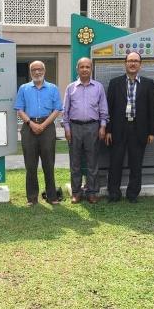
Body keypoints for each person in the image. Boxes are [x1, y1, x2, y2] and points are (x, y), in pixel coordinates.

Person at [105, 52, 154, 203]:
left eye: (136, 61)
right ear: (125, 63)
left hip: (139, 130)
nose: (132, 64)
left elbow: (152, 110)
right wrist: (108, 130)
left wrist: (151, 132)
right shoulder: (115, 83)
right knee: (115, 162)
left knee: (136, 163)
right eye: (130, 61)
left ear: (140, 64)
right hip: (118, 129)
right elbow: (109, 108)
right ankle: (114, 193)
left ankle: (133, 194)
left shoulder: (148, 83)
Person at [14, 61, 63, 206]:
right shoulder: (23, 88)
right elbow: (19, 109)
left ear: (44, 70)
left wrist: (43, 125)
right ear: (30, 72)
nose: (37, 72)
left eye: (40, 69)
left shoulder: (53, 88)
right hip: (29, 127)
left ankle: (52, 196)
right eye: (34, 70)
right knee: (30, 165)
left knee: (49, 163)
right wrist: (31, 124)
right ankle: (32, 198)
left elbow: (57, 110)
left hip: (47, 128)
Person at [63, 57, 108, 204]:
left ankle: (92, 192)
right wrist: (67, 129)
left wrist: (102, 126)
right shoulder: (70, 88)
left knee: (92, 162)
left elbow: (103, 110)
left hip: (93, 127)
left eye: (87, 67)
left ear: (91, 69)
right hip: (74, 127)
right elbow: (65, 111)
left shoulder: (98, 87)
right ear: (77, 69)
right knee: (75, 162)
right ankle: (76, 192)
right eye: (82, 67)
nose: (84, 69)